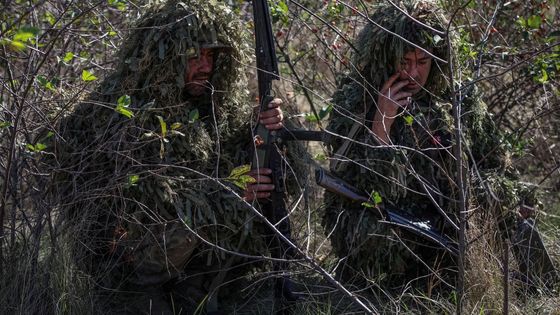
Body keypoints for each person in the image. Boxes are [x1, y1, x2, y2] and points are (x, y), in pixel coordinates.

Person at [46, 0, 307, 313]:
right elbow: (157, 201)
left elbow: (216, 160)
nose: (206, 66)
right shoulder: (125, 110)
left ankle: (193, 289)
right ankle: (141, 296)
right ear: (168, 56)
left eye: (211, 55)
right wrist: (233, 192)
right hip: (124, 256)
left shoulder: (200, 101)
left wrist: (258, 129)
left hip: (174, 247)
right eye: (194, 55)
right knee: (186, 229)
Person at [323, 0, 529, 293]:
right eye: (404, 62)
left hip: (449, 227)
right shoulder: (357, 102)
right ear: (386, 58)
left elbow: (495, 165)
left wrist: (484, 201)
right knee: (374, 237)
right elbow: (362, 192)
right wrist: (382, 124)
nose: (413, 73)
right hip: (391, 226)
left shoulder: (458, 99)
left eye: (422, 62)